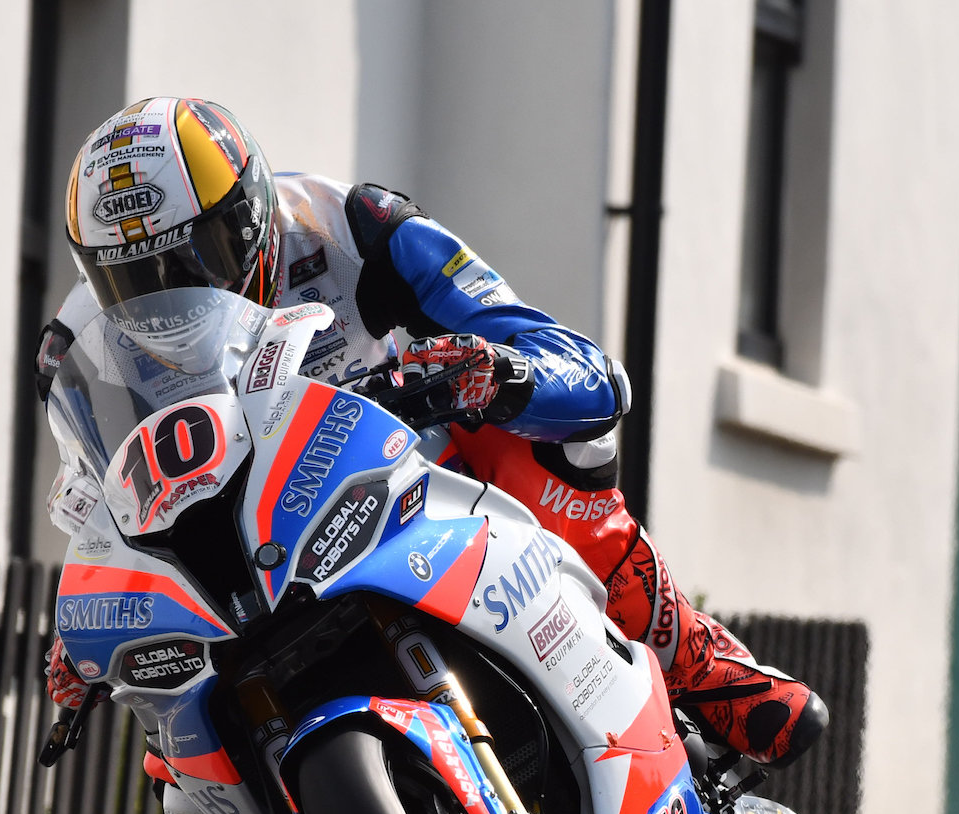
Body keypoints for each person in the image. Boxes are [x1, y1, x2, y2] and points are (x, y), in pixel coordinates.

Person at [43, 96, 823, 771]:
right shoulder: (79, 351)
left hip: (409, 491)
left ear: (249, 220)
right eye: (132, 284)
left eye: (190, 264)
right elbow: (96, 515)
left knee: (534, 440)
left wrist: (499, 375)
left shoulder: (354, 227)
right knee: (176, 762)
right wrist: (81, 632)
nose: (166, 306)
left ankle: (689, 657)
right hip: (246, 566)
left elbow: (586, 371)